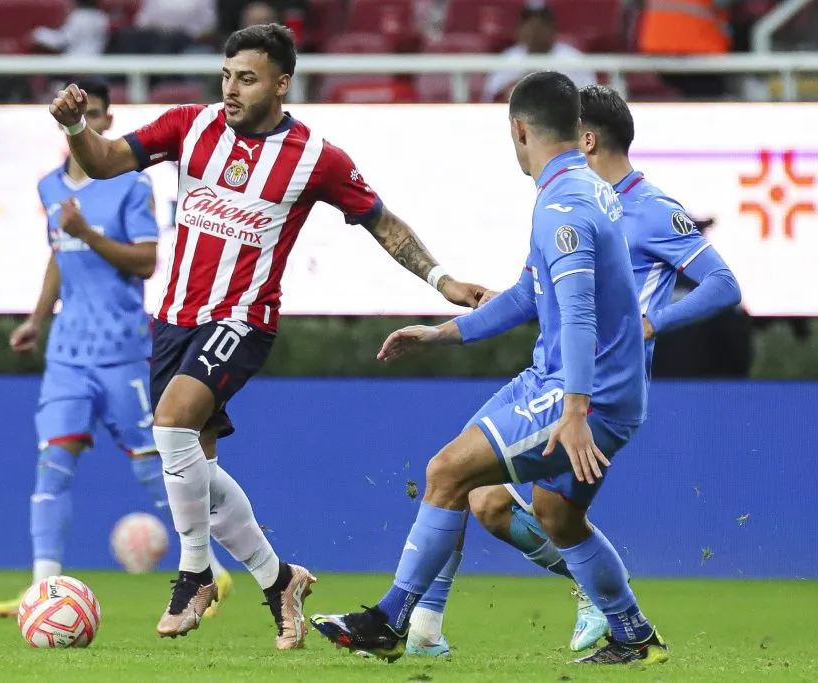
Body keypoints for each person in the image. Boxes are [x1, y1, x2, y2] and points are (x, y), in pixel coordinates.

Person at [47, 24, 484, 649]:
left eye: (246, 78)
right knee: (193, 466)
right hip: (173, 320)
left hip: (242, 319)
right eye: (226, 75)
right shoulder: (188, 126)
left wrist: (441, 280)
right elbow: (104, 160)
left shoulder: (316, 158)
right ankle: (279, 580)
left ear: (282, 84)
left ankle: (194, 574)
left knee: (170, 426)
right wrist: (73, 129)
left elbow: (382, 222)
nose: (230, 89)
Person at [311, 71, 669, 666]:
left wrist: (577, 410)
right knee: (556, 515)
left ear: (518, 130)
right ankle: (634, 636)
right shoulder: (587, 191)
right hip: (596, 387)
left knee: (447, 471)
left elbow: (578, 315)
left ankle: (392, 620)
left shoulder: (563, 206)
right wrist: (444, 333)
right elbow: (531, 294)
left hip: (580, 392)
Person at [403, 84, 742, 659]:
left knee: (460, 476)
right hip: (557, 377)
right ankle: (623, 626)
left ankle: (413, 624)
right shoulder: (576, 202)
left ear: (585, 138)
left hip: (598, 391)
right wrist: (453, 327)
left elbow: (723, 284)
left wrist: (651, 323)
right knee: (508, 505)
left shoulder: (650, 208)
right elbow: (536, 293)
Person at [0, 78, 231, 619]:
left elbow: (146, 263)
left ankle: (208, 572)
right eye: (81, 116)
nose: (90, 125)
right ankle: (42, 590)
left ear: (108, 118)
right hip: (67, 354)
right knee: (52, 463)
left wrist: (88, 232)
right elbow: (58, 253)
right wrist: (36, 318)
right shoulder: (50, 186)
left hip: (123, 350)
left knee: (155, 467)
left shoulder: (128, 186)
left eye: (97, 115)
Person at [482, 3, 596, 104]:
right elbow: (491, 100)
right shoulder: (507, 60)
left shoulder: (574, 60)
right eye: (529, 25)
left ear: (553, 28)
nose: (535, 31)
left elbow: (589, 101)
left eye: (542, 24)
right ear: (519, 29)